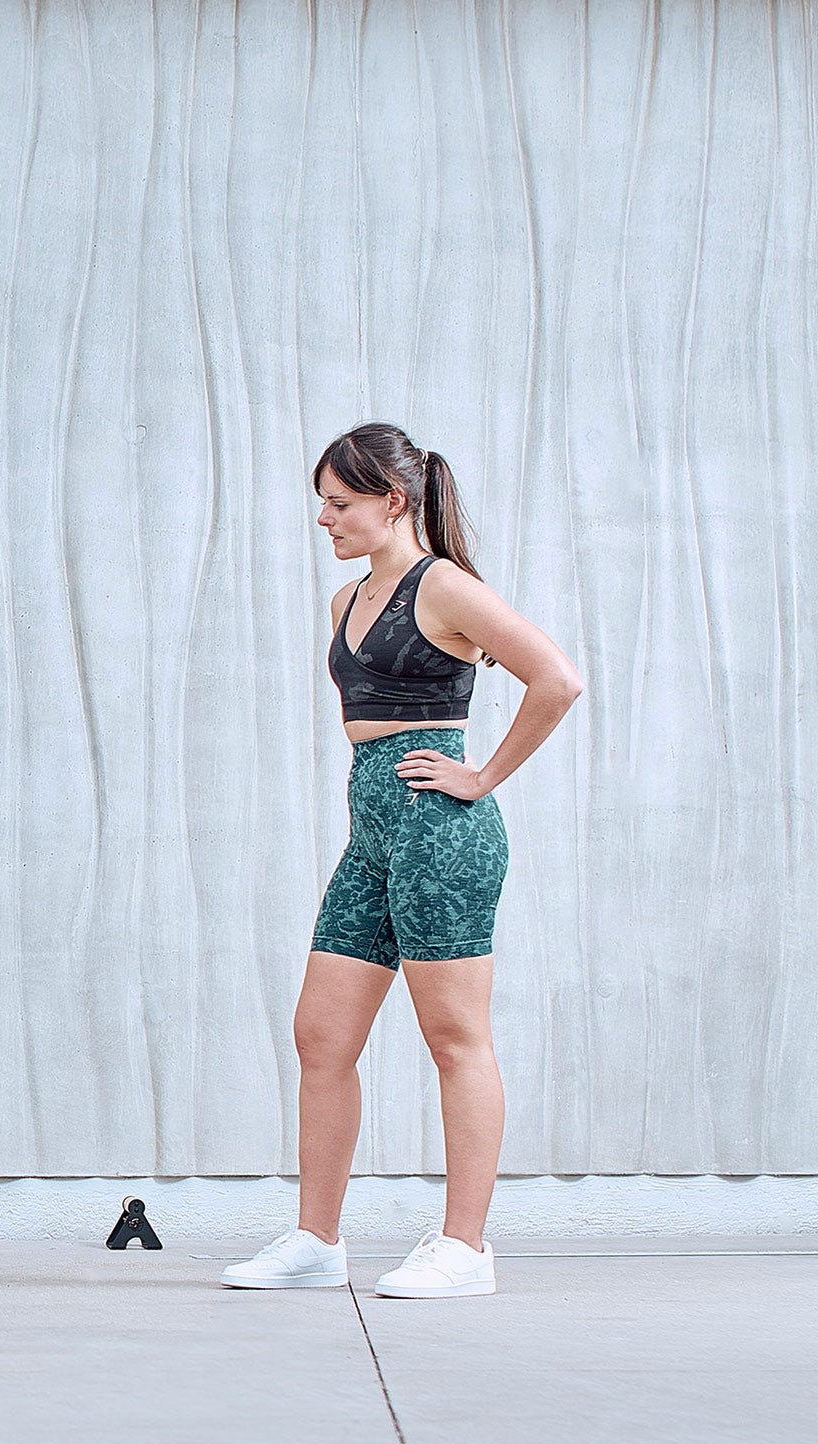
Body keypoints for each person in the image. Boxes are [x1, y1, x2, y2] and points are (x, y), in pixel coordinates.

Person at [224, 423, 582, 1299]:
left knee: (454, 1037)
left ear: (392, 501)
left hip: (440, 834)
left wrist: (483, 775)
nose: (323, 518)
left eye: (340, 503)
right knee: (321, 1035)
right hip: (373, 833)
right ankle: (317, 1240)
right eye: (322, 502)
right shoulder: (345, 602)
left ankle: (466, 1249)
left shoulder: (444, 586)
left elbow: (558, 680)